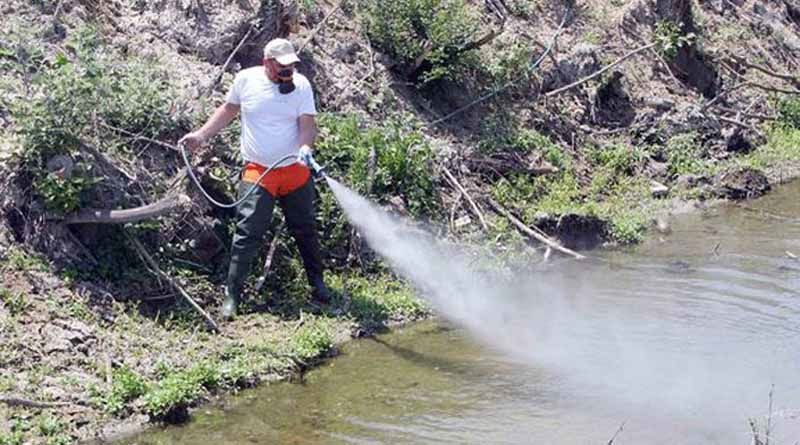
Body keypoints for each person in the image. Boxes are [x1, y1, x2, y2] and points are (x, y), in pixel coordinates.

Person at [180, 38, 330, 320]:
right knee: (247, 233)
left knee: (305, 229)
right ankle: (232, 296)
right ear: (267, 63)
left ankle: (317, 284)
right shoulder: (246, 80)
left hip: (295, 171)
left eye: (291, 66)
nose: (288, 71)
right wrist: (201, 135)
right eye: (282, 66)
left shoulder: (301, 86)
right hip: (259, 171)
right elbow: (228, 110)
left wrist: (305, 147)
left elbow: (308, 126)